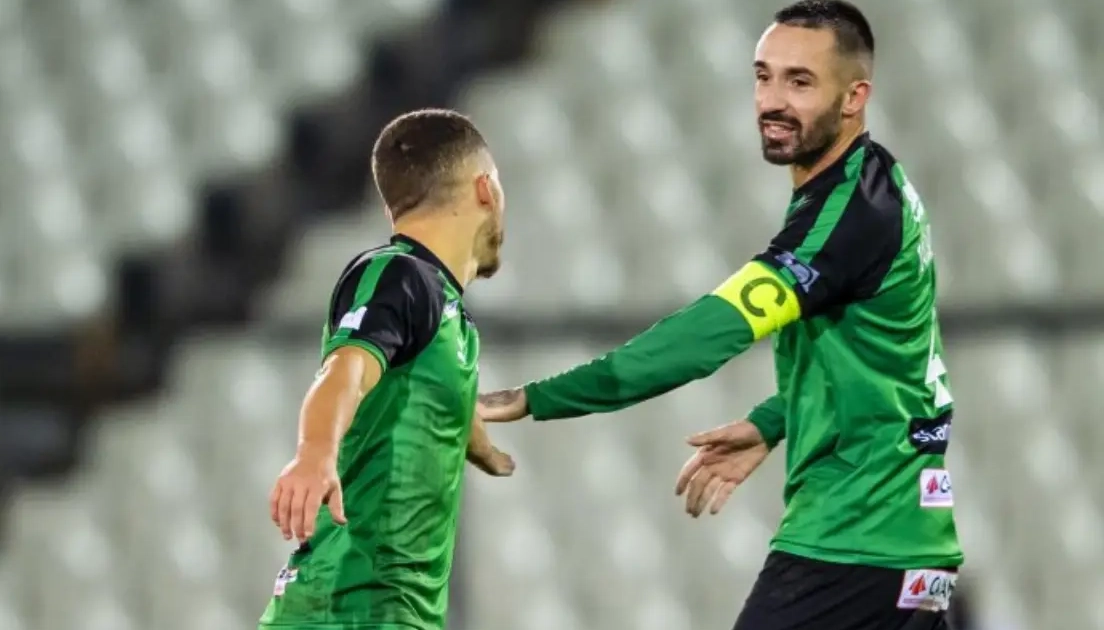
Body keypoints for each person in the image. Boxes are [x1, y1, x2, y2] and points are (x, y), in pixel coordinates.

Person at [477, 2, 961, 628]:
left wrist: (537, 397)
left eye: (800, 82)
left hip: (853, 545)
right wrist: (772, 420)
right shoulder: (878, 183)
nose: (772, 101)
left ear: (854, 97)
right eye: (763, 76)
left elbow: (707, 335)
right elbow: (892, 360)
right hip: (907, 548)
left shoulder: (850, 214)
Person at [261, 108, 515, 630]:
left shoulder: (446, 313)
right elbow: (347, 370)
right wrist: (315, 452)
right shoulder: (397, 275)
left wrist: (485, 448)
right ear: (485, 189)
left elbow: (432, 402)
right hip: (350, 607)